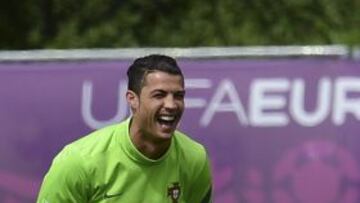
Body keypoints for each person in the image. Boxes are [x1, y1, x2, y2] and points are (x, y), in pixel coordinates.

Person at [37, 54, 212, 203]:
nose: (171, 105)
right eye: (159, 95)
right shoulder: (78, 161)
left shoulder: (195, 158)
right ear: (132, 99)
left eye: (178, 96)